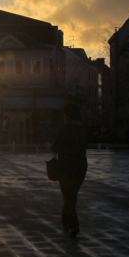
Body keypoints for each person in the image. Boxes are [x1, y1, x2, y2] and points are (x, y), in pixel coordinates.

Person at [52, 100, 87, 238]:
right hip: (80, 168)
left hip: (65, 168)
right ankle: (66, 221)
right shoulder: (83, 130)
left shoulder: (63, 130)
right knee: (71, 196)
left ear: (67, 115)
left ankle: (74, 225)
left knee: (68, 197)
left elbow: (54, 148)